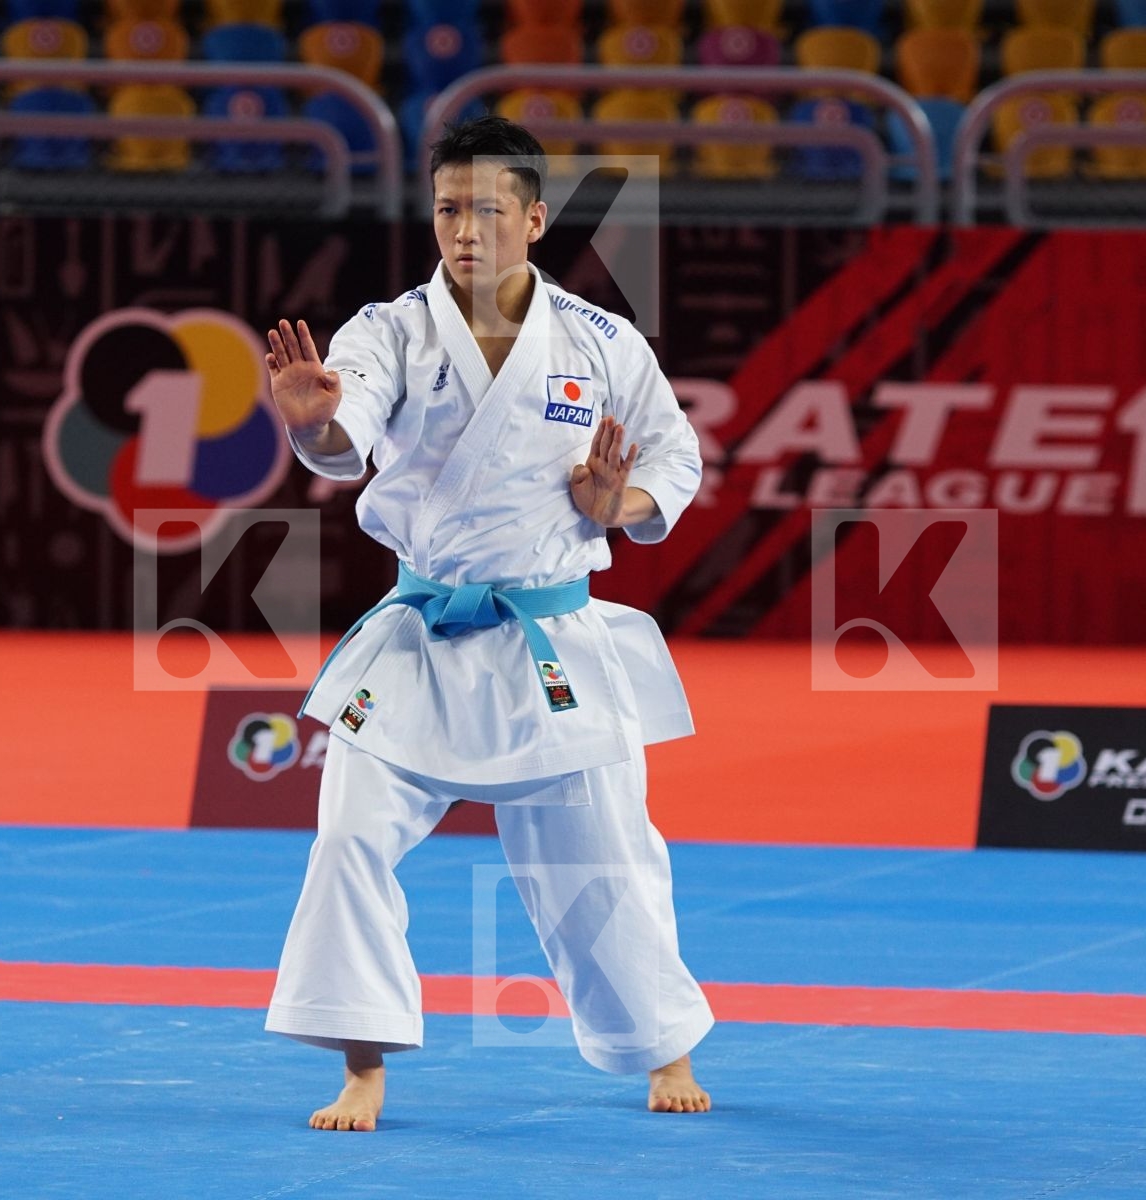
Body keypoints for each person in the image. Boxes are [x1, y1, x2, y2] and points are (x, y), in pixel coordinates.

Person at [263, 115, 712, 1132]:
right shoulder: (386, 332)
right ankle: (363, 1062)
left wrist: (618, 506)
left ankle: (662, 1047)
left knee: (604, 855)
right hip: (419, 636)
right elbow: (351, 429)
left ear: (536, 220)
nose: (463, 229)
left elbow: (674, 461)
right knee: (345, 837)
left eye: (487, 211)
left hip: (550, 637)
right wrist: (315, 424)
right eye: (447, 209)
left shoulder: (602, 343)